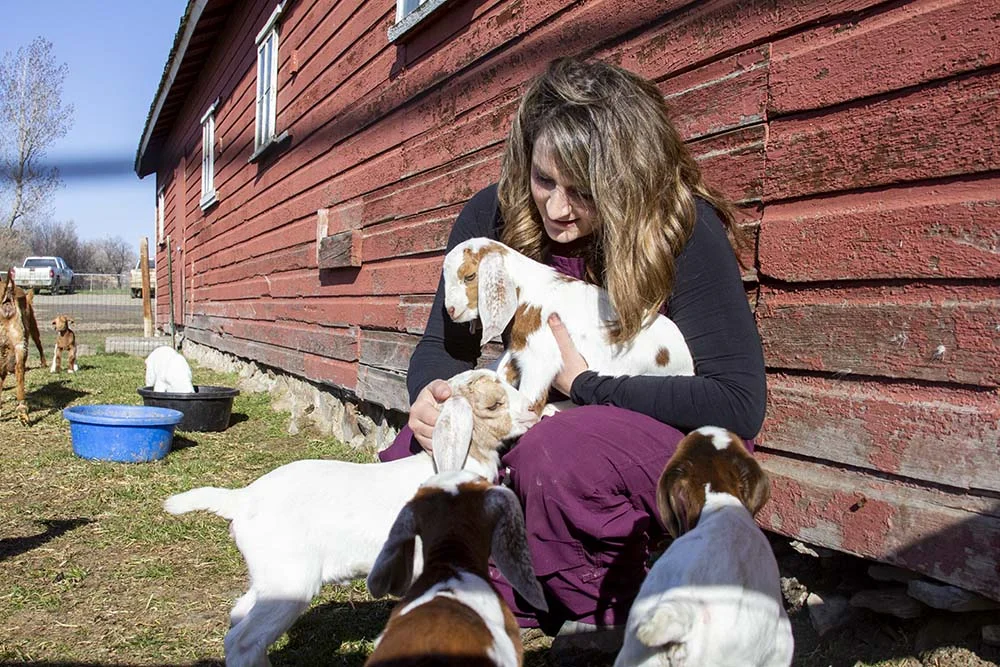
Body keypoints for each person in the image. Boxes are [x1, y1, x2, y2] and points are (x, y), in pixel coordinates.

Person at [378, 56, 766, 640]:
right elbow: (443, 348)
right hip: (542, 408)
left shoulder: (681, 228)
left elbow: (737, 404)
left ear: (627, 178)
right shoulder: (491, 218)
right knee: (420, 453)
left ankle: (597, 609)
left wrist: (585, 387)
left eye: (584, 191)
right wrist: (430, 397)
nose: (557, 210)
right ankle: (486, 586)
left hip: (665, 429)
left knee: (555, 451)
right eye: (544, 181)